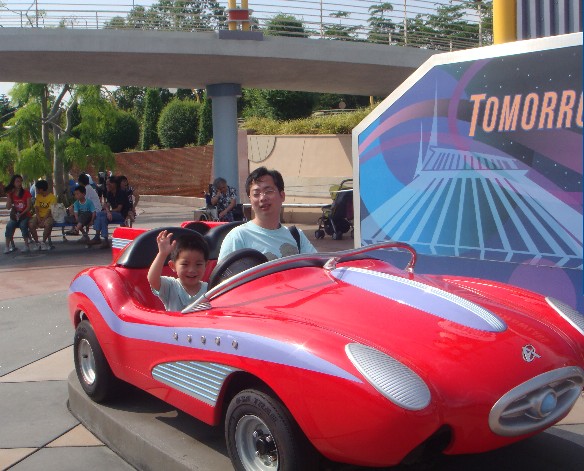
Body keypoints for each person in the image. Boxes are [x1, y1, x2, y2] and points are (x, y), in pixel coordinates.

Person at [218, 167, 317, 262]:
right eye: (256, 194)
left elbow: (318, 267)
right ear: (250, 200)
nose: (263, 198)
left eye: (268, 191)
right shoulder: (238, 237)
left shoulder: (296, 235)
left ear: (282, 196)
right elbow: (225, 273)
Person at [147, 230, 209, 312]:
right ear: (173, 266)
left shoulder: (210, 289)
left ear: (205, 265)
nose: (192, 270)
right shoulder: (170, 286)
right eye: (185, 264)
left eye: (198, 264)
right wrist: (162, 254)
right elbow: (153, 280)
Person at [89, 176, 129, 249]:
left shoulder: (121, 193)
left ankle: (97, 237)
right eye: (106, 184)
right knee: (103, 217)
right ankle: (105, 240)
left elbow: (119, 209)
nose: (107, 186)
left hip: (122, 214)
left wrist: (109, 212)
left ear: (115, 184)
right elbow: (107, 204)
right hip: (112, 214)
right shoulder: (109, 193)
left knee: (101, 214)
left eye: (109, 184)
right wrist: (107, 212)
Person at [4, 174, 33, 254]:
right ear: (13, 183)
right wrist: (9, 196)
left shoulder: (26, 193)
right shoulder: (11, 194)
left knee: (23, 225)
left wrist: (21, 214)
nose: (19, 183)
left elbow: (29, 207)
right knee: (9, 226)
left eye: (20, 181)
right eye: (17, 181)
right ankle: (7, 246)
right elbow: (8, 207)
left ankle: (26, 245)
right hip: (15, 216)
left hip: (25, 215)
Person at [29, 179, 57, 251]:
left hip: (48, 216)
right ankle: (37, 242)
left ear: (41, 189)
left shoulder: (52, 197)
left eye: (37, 189)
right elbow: (36, 209)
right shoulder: (38, 196)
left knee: (48, 224)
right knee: (31, 224)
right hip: (39, 216)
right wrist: (39, 219)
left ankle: (43, 242)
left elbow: (49, 211)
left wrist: (43, 220)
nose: (36, 191)